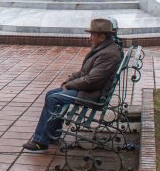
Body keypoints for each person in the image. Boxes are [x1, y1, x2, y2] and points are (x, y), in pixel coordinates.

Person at [22, 18, 123, 153]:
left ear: (102, 36)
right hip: (90, 90)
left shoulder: (108, 54)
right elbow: (84, 72)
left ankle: (41, 142)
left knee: (54, 98)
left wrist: (69, 86)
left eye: (92, 35)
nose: (90, 38)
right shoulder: (103, 49)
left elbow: (92, 80)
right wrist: (68, 81)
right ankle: (53, 135)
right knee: (51, 94)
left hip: (93, 94)